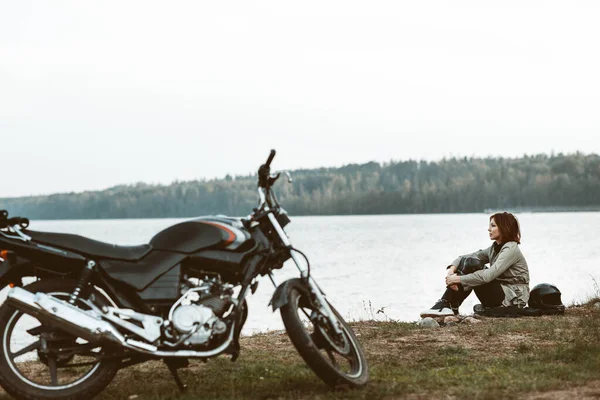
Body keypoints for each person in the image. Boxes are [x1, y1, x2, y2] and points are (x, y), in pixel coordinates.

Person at [420, 212, 530, 318]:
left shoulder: (511, 249)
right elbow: (465, 257)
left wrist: (458, 279)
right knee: (470, 261)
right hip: (501, 294)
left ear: (504, 228)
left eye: (493, 226)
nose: (488, 229)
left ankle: (447, 304)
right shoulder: (495, 248)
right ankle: (448, 305)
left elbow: (488, 276)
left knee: (473, 265)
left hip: (513, 299)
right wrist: (452, 270)